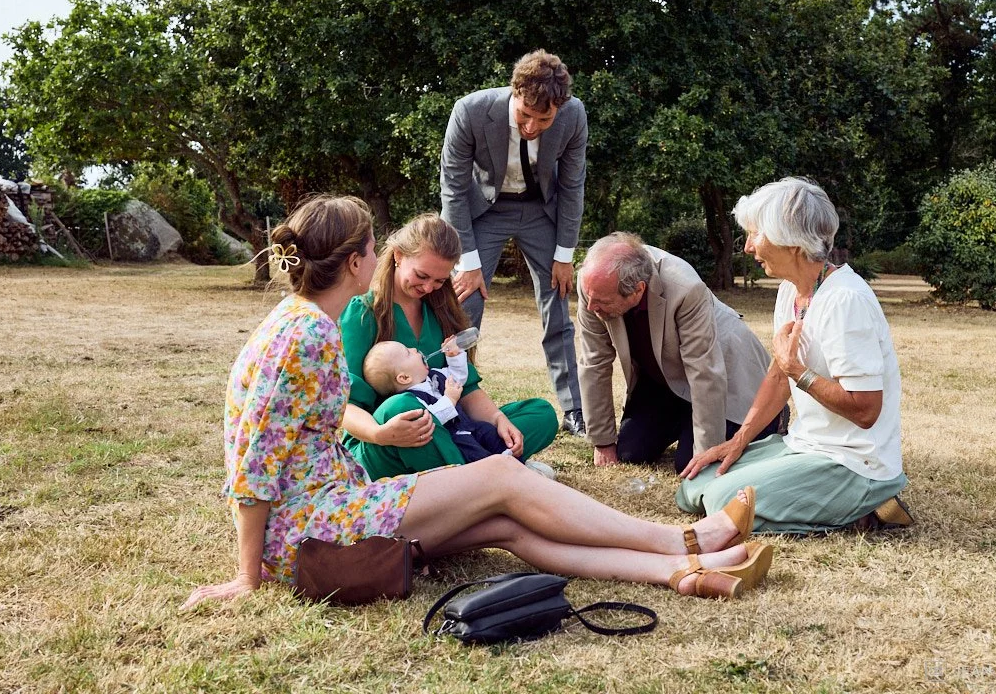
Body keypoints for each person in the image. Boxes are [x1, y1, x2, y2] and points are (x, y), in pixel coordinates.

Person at [181, 194, 774, 610]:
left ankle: (679, 572)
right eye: (374, 246)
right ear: (358, 260)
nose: (379, 256)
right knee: (502, 478)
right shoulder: (306, 333)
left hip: (334, 506)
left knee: (505, 524)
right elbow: (253, 460)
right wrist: (247, 574)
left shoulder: (306, 322)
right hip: (312, 528)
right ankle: (683, 540)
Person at [678, 177, 913, 533]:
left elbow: (866, 410)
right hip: (805, 445)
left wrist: (798, 371)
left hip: (855, 463)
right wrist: (737, 442)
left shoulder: (845, 301)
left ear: (790, 241)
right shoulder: (790, 291)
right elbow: (778, 376)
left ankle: (867, 507)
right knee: (694, 487)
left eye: (755, 234)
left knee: (722, 503)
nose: (748, 247)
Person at [339, 214, 557, 479]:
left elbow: (467, 389)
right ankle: (487, 480)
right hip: (388, 443)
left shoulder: (439, 310)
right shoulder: (362, 312)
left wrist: (499, 420)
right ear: (398, 256)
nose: (428, 287)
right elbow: (345, 406)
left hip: (452, 430)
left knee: (540, 414)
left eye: (440, 281)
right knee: (405, 408)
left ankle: (485, 473)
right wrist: (380, 434)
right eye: (422, 275)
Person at [440, 49, 587, 437]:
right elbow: (453, 189)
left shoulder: (574, 115)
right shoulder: (470, 111)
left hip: (541, 211)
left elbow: (572, 186)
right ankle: (452, 401)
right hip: (484, 210)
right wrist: (468, 262)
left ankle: (574, 409)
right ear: (514, 92)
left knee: (557, 302)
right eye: (525, 115)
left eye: (544, 119)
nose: (532, 127)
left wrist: (565, 255)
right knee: (464, 305)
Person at [576, 233, 784, 474]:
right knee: (630, 452)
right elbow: (594, 362)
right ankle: (685, 421)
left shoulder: (686, 288)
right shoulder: (594, 287)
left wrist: (706, 454)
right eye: (590, 298)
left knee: (689, 463)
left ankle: (773, 419)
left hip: (726, 376)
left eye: (601, 301)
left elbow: (704, 372)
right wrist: (602, 441)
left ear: (637, 290)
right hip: (666, 378)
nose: (591, 307)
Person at [362, 338, 556, 479]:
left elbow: (459, 377)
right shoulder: (410, 400)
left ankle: (515, 465)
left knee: (490, 433)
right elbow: (432, 420)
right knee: (474, 453)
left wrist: (454, 357)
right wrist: (450, 399)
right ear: (404, 378)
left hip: (469, 427)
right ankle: (497, 476)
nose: (414, 348)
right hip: (453, 439)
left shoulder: (434, 376)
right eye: (407, 352)